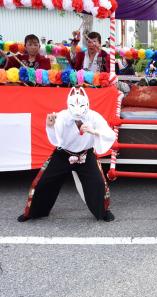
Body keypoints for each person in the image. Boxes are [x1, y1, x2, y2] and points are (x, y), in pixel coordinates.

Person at [17, 87, 116, 223]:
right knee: (43, 182)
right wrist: (50, 126)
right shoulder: (62, 115)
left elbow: (109, 133)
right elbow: (56, 139)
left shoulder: (94, 116)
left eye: (81, 105)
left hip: (85, 156)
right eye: (74, 105)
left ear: (86, 103)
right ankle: (33, 212)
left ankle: (103, 211)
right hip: (63, 154)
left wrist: (94, 131)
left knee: (98, 183)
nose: (77, 109)